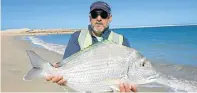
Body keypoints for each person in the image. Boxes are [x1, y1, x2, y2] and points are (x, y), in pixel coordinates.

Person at [46, 1, 137, 92]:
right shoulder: (77, 37)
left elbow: (129, 73)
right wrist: (58, 72)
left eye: (103, 15)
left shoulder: (122, 41)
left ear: (109, 18)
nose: (99, 18)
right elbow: (66, 65)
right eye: (95, 14)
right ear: (90, 18)